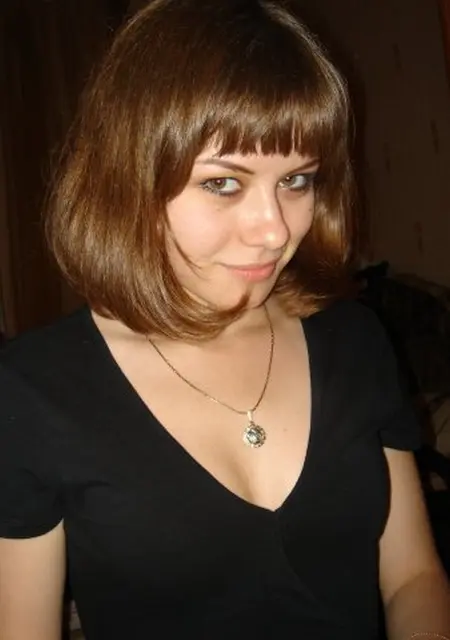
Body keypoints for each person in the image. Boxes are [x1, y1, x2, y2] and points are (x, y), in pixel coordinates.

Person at [0, 0, 449, 638]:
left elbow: (412, 578)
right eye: (223, 183)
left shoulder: (353, 340)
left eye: (297, 180)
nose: (275, 230)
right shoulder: (32, 390)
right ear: (127, 180)